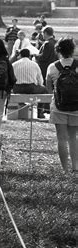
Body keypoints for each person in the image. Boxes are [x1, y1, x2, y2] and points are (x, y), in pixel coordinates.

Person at [45, 37, 78, 173]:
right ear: (73, 49)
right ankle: (75, 167)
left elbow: (48, 87)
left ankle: (65, 169)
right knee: (73, 137)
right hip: (76, 108)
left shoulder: (52, 67)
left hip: (58, 107)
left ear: (58, 50)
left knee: (61, 139)